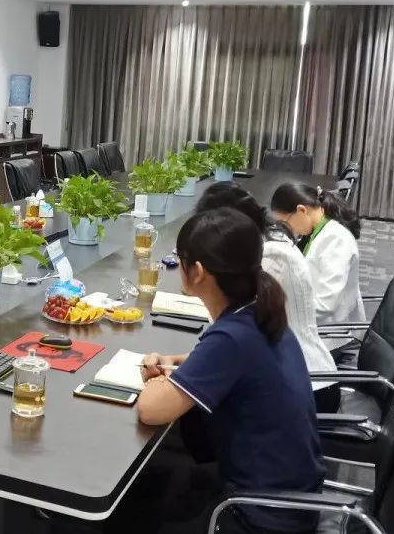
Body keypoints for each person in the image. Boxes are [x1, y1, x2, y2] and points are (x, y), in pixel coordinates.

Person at [137, 208, 324, 534]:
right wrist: (179, 363)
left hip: (260, 516)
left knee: (140, 511)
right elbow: (233, 362)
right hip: (290, 495)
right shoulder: (260, 309)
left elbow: (150, 410)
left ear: (197, 272)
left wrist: (158, 380)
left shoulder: (232, 337)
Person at [195, 182, 339, 413]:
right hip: (286, 374)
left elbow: (229, 323)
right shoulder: (269, 240)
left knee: (196, 409)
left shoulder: (270, 257)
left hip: (307, 388)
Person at [270, 183, 365, 325]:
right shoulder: (315, 230)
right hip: (308, 313)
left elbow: (326, 304)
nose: (288, 229)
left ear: (301, 210)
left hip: (328, 327)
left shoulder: (336, 240)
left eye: (286, 223)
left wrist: (280, 308)